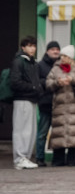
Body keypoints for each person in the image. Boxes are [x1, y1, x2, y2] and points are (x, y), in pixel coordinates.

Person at [45, 45, 75, 167]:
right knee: (59, 132)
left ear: (71, 57)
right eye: (62, 56)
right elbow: (48, 84)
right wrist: (57, 82)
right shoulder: (55, 68)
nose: (62, 58)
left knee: (74, 133)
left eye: (65, 56)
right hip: (59, 106)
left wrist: (72, 80)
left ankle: (72, 159)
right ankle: (58, 159)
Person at [9, 36, 43, 169]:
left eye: (34, 46)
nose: (32, 48)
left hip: (31, 99)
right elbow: (15, 82)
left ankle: (25, 157)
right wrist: (34, 88)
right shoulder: (19, 62)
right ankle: (20, 157)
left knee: (30, 130)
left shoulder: (32, 63)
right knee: (21, 130)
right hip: (22, 99)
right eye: (29, 46)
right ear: (23, 47)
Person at [34, 40, 61, 166]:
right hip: (45, 103)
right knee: (43, 133)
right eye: (52, 49)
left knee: (57, 134)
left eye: (57, 49)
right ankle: (39, 158)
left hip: (59, 104)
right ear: (47, 51)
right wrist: (51, 82)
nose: (55, 51)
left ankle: (57, 159)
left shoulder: (61, 64)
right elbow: (37, 81)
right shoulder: (40, 65)